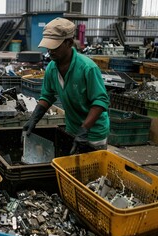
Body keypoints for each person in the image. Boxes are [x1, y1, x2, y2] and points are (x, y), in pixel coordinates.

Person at [22, 18, 110, 153]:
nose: (50, 51)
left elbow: (101, 101)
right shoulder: (52, 67)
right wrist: (34, 119)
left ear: (69, 42)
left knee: (92, 172)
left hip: (93, 133)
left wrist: (84, 129)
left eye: (55, 46)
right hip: (72, 129)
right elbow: (47, 96)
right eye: (48, 46)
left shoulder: (87, 68)